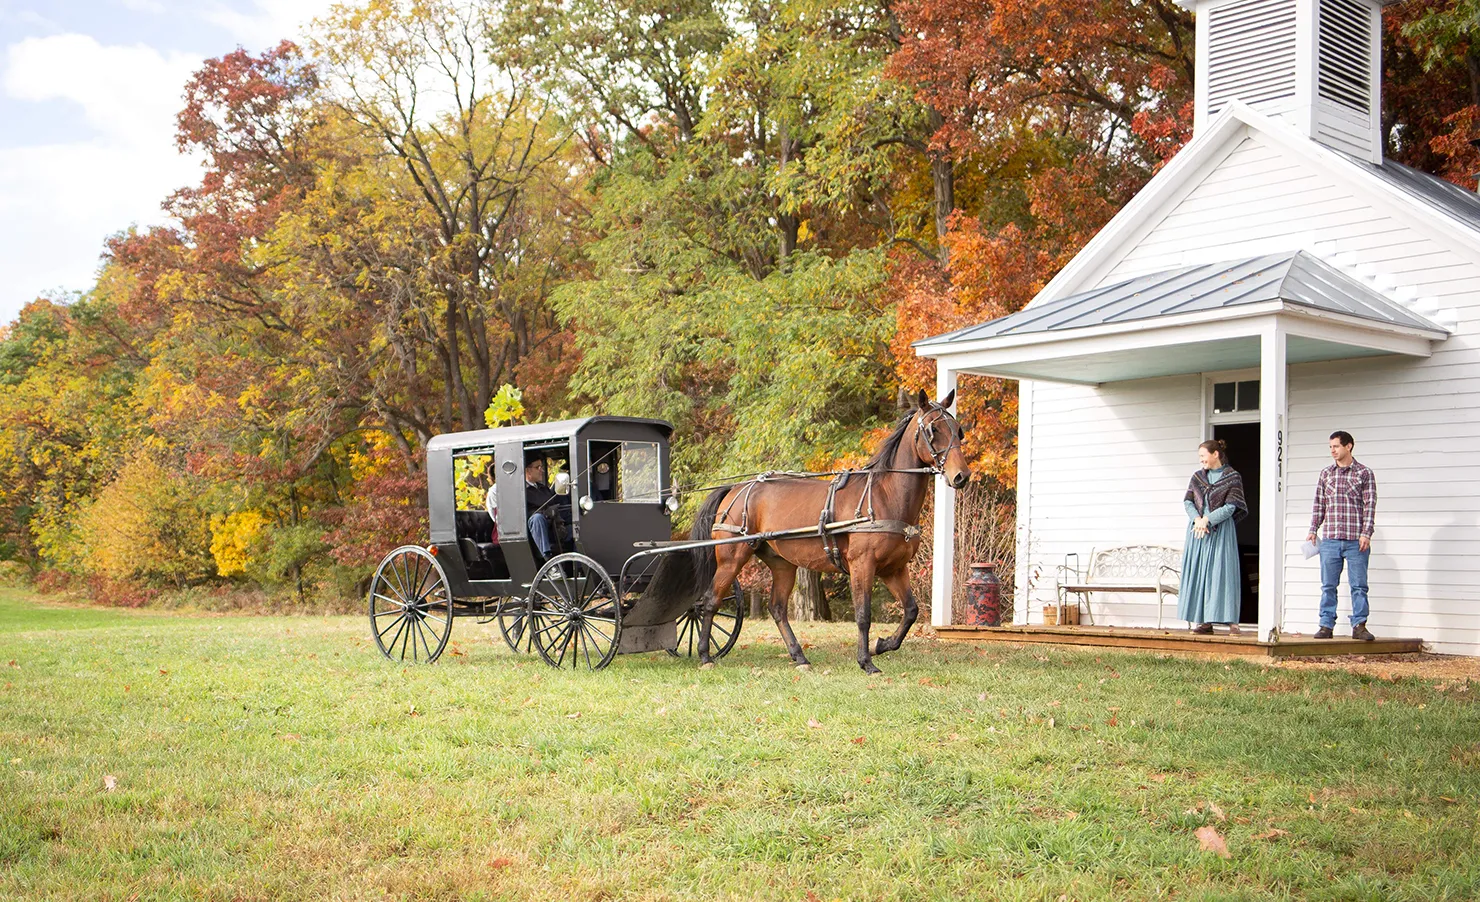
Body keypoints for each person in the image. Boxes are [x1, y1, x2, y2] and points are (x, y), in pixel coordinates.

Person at [1306, 431, 1377, 641]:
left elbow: (1370, 505)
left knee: (1359, 585)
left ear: (1349, 446)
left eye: (1336, 446)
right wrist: (1313, 529)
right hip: (1330, 539)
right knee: (1328, 585)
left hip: (1356, 539)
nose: (1333, 451)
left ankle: (1359, 625)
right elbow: (1319, 504)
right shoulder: (1326, 474)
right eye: (1330, 447)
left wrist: (1366, 533)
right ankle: (1326, 625)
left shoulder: (1364, 473)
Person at [1179, 439, 1248, 635]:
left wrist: (1208, 520)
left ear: (1215, 454)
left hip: (1220, 531)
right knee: (1200, 574)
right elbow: (1188, 501)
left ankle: (1232, 621)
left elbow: (1231, 506)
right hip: (1199, 532)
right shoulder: (1197, 477)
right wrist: (1197, 520)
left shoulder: (1232, 477)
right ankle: (1204, 621)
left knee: (1222, 574)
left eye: (1203, 455)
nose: (1201, 460)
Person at [524, 458, 569, 561]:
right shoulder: (522, 491)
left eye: (541, 467)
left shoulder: (543, 488)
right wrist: (544, 513)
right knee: (537, 518)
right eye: (537, 467)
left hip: (554, 525)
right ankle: (547, 559)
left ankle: (579, 565)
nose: (542, 470)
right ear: (528, 471)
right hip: (537, 528)